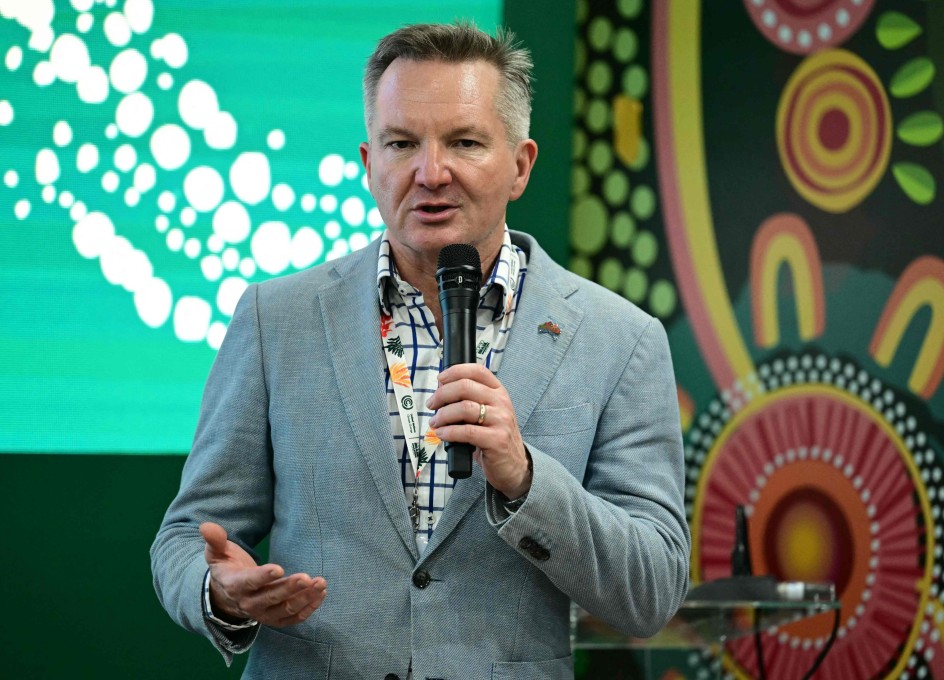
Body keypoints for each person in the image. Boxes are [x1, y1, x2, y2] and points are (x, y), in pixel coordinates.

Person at [151, 22, 690, 679]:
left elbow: (653, 590)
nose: (430, 173)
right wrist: (220, 594)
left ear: (520, 166)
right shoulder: (277, 319)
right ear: (368, 164)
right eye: (401, 144)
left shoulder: (619, 340)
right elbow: (185, 540)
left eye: (464, 142)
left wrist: (525, 477)